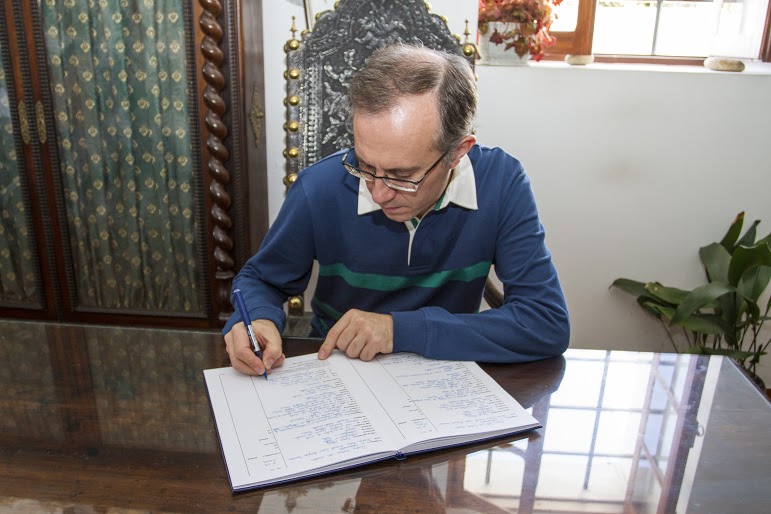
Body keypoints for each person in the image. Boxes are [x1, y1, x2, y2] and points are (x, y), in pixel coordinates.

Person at [223, 43, 569, 376]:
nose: (379, 193)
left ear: (457, 152)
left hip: (449, 375)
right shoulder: (320, 187)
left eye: (402, 175)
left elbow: (546, 323)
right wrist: (257, 319)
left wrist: (398, 330)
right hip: (339, 371)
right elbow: (260, 280)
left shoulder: (501, 182)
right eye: (364, 165)